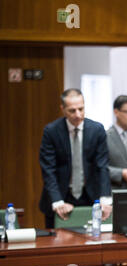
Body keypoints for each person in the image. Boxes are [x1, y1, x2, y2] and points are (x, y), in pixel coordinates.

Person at [39, 89, 112, 229]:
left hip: (90, 195)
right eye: (72, 110)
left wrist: (105, 199)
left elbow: (102, 166)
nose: (78, 115)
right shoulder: (51, 131)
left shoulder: (97, 129)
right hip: (61, 195)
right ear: (63, 109)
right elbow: (48, 169)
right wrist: (58, 201)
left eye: (81, 109)